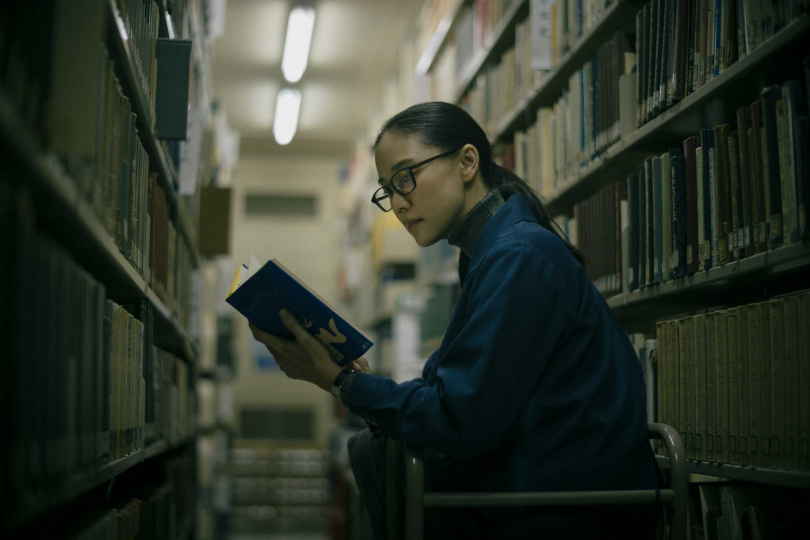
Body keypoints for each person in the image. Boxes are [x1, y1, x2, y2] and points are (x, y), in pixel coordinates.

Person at [250, 102, 661, 539]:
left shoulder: (518, 257)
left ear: (467, 162)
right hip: (539, 485)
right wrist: (353, 380)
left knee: (377, 456)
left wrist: (340, 383)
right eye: (388, 189)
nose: (399, 204)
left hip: (563, 507)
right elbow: (454, 395)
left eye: (406, 176)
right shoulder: (491, 255)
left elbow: (458, 418)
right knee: (376, 453)